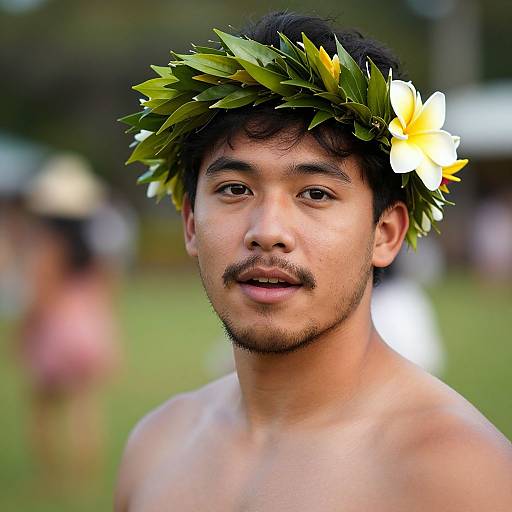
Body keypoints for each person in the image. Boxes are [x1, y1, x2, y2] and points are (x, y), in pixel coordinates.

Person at [115, 12, 512, 511]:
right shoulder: (156, 447)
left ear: (385, 233)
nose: (268, 232)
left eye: (316, 193)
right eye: (235, 189)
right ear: (191, 222)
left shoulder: (460, 478)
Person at [16, 154, 120, 488]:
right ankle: (84, 476)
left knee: (43, 409)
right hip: (90, 328)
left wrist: (24, 331)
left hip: (55, 331)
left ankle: (49, 476)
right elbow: (107, 289)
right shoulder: (94, 244)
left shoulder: (47, 246)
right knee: (84, 406)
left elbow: (40, 296)